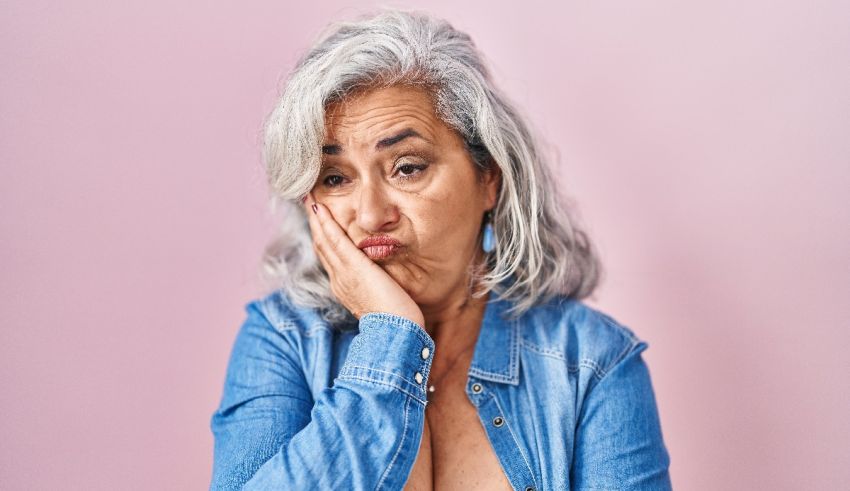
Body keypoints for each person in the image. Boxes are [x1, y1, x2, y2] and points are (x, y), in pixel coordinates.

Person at [209, 8, 672, 490]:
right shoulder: (282, 338)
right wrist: (391, 338)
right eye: (335, 178)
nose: (369, 215)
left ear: (489, 177)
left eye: (407, 167)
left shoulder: (591, 362)